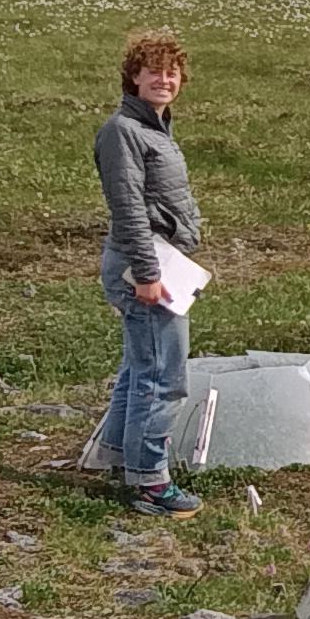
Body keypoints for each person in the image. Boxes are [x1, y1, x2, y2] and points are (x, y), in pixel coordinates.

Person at [85, 31, 202, 512]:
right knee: (163, 375)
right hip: (144, 266)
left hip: (158, 261)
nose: (164, 79)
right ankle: (150, 482)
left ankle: (114, 456)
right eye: (153, 70)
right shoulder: (123, 131)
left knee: (140, 368)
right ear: (133, 77)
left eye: (172, 71)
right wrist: (148, 273)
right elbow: (128, 207)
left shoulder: (155, 128)